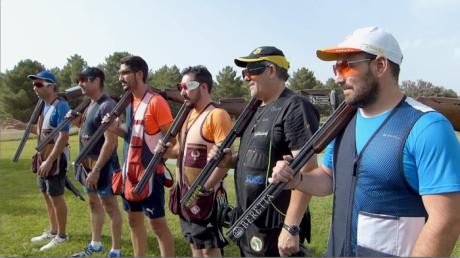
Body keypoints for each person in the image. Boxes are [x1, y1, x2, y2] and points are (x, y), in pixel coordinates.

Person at [269, 26, 460, 257]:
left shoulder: (428, 127)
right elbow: (329, 178)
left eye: (346, 65)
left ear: (380, 65)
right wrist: (297, 179)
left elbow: (446, 220)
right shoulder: (343, 122)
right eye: (335, 67)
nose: (338, 77)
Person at [209, 46, 320, 256]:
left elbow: (308, 171)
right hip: (249, 220)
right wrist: (227, 160)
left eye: (251, 71)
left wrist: (291, 227)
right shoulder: (254, 109)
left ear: (271, 70)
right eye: (244, 73)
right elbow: (252, 159)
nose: (245, 78)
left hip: (275, 225)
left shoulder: (295, 106)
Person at [156, 65, 232, 257]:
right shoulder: (188, 114)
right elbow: (181, 151)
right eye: (180, 86)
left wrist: (205, 189)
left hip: (205, 196)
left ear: (204, 87)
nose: (182, 91)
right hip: (185, 194)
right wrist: (166, 152)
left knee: (209, 249)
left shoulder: (217, 115)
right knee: (194, 245)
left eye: (187, 86)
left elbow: (225, 160)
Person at [107, 56, 175, 257]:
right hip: (130, 173)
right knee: (133, 221)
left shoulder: (156, 102)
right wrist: (114, 128)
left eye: (125, 73)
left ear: (139, 74)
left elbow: (172, 137)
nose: (120, 77)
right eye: (120, 73)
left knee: (158, 225)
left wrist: (166, 150)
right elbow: (130, 134)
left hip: (151, 174)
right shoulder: (128, 101)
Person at [4, 71, 70, 251]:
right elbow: (42, 131)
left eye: (38, 84)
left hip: (54, 159)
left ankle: (62, 235)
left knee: (56, 196)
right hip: (43, 158)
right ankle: (53, 230)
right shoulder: (44, 106)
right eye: (34, 84)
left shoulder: (61, 106)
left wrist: (49, 160)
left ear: (50, 85)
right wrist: (23, 125)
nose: (34, 87)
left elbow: (63, 137)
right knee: (47, 195)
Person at [69, 67, 123, 257]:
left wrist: (97, 169)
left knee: (110, 207)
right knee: (93, 204)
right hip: (87, 166)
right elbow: (87, 131)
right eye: (78, 80)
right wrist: (76, 120)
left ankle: (115, 251)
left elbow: (111, 141)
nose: (79, 84)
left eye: (84, 80)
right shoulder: (89, 104)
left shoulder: (107, 105)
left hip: (102, 166)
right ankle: (96, 244)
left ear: (98, 80)